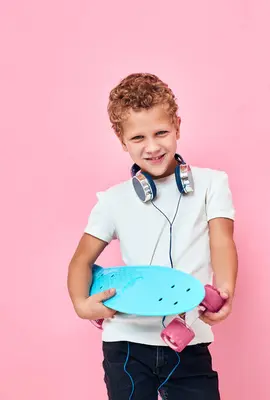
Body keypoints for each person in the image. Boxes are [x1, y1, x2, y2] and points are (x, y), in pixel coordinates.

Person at [67, 73, 238, 400]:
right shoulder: (113, 200)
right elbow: (80, 261)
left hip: (190, 341)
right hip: (127, 345)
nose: (152, 147)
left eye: (161, 132)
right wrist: (82, 305)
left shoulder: (213, 184)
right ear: (121, 139)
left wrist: (226, 287)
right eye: (138, 138)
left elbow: (222, 240)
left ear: (177, 125)